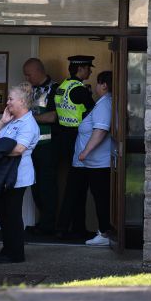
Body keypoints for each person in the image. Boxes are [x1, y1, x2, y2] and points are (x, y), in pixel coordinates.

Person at [0, 82, 39, 263]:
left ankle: (16, 254)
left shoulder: (29, 124)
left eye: (11, 99)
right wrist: (2, 121)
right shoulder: (11, 120)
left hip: (18, 176)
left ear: (22, 102)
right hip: (4, 173)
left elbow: (18, 149)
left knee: (12, 213)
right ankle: (7, 248)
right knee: (0, 209)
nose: (7, 102)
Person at [69, 71, 113, 246]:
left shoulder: (104, 105)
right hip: (95, 164)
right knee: (99, 197)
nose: (95, 87)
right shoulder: (104, 103)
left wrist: (84, 153)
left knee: (101, 199)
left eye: (97, 83)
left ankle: (104, 234)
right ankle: (103, 231)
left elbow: (100, 130)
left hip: (99, 164)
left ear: (104, 85)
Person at [55, 55, 96, 240]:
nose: (90, 71)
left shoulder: (62, 86)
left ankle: (77, 228)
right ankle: (64, 227)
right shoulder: (79, 90)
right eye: (88, 68)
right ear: (80, 69)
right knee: (75, 187)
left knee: (78, 186)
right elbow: (94, 111)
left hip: (64, 138)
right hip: (78, 140)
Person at [22, 58, 59, 236]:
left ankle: (49, 226)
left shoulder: (56, 89)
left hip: (49, 147)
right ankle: (42, 223)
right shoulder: (30, 90)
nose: (27, 78)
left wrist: (28, 118)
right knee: (35, 186)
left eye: (29, 74)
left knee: (47, 187)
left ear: (37, 71)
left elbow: (53, 116)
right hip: (31, 147)